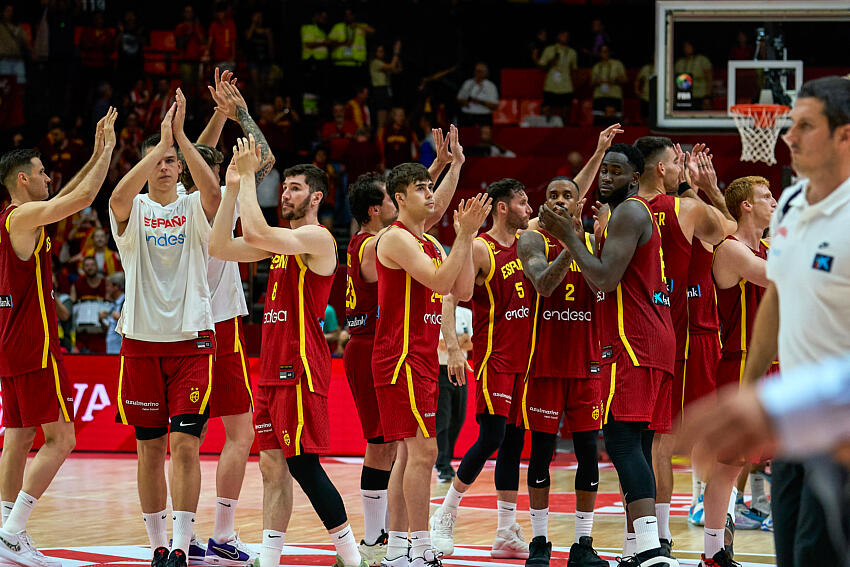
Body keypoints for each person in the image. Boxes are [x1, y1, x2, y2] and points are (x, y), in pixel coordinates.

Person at [210, 140, 367, 567]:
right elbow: (219, 246)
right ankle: (271, 557)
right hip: (269, 371)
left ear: (316, 197)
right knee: (272, 466)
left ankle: (352, 559)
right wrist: (231, 188)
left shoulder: (316, 238)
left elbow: (257, 233)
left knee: (303, 465)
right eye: (284, 188)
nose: (285, 195)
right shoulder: (280, 245)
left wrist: (246, 179)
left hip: (298, 368)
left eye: (294, 188)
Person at [544, 144, 677, 567]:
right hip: (651, 337)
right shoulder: (622, 214)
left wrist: (568, 236)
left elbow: (603, 276)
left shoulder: (630, 212)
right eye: (604, 170)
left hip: (633, 341)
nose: (606, 178)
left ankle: (653, 550)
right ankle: (642, 549)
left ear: (635, 178)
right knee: (635, 442)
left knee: (620, 441)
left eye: (616, 171)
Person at [108, 88, 222, 567]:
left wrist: (179, 139)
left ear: (182, 166)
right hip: (140, 342)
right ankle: (157, 543)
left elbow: (215, 194)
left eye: (173, 160)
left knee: (185, 445)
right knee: (149, 449)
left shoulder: (196, 206)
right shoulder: (133, 211)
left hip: (192, 340)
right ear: (148, 162)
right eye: (159, 159)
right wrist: (159, 144)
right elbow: (115, 196)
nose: (166, 164)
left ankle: (181, 542)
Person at [740, 76, 850, 567]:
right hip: (795, 418)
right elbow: (778, 298)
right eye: (789, 126)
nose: (789, 137)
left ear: (844, 135)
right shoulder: (789, 203)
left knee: (817, 553)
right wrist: (748, 391)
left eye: (806, 126)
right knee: (790, 551)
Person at [0, 109, 116, 565]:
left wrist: (93, 154)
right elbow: (83, 197)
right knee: (62, 438)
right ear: (24, 180)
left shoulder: (20, 217)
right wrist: (104, 151)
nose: (50, 177)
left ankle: (5, 531)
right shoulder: (23, 217)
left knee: (16, 435)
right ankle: (13, 530)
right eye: (43, 172)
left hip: (11, 343)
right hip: (35, 345)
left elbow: (67, 195)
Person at [343, 127, 457, 565]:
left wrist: (443, 167)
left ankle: (391, 542)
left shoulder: (396, 234)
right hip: (378, 346)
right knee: (387, 445)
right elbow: (412, 214)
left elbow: (420, 208)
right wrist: (437, 175)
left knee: (399, 449)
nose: (399, 206)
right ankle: (381, 538)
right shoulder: (374, 243)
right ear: (379, 209)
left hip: (395, 345)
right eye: (393, 199)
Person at [372, 159, 490, 567]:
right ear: (400, 198)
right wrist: (463, 234)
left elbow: (460, 290)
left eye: (430, 186)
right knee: (424, 452)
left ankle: (397, 550)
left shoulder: (433, 244)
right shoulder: (395, 238)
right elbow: (441, 282)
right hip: (400, 357)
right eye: (422, 188)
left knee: (409, 456)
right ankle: (420, 548)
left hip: (422, 356)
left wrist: (466, 237)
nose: (430, 194)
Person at [632, 136, 733, 557]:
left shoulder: (622, 213)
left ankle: (656, 540)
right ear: (662, 169)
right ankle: (712, 545)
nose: (679, 166)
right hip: (693, 333)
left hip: (642, 336)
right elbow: (735, 234)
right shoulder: (685, 208)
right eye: (676, 162)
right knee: (714, 439)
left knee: (650, 444)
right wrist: (707, 189)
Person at [193, 71, 277, 566]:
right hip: (217, 324)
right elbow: (263, 159)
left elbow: (191, 159)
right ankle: (222, 533)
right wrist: (241, 111)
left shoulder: (169, 199)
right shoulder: (216, 200)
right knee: (240, 434)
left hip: (177, 325)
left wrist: (212, 121)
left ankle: (174, 536)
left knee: (185, 439)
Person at [428, 178, 532, 561]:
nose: (530, 209)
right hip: (495, 357)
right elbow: (451, 297)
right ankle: (446, 512)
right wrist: (454, 349)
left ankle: (505, 531)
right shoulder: (480, 248)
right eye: (522, 203)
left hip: (525, 358)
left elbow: (570, 199)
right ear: (502, 207)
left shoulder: (528, 241)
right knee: (491, 436)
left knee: (515, 442)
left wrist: (599, 150)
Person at [518, 178, 607, 567]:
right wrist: (572, 244)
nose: (557, 200)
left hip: (587, 364)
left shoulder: (597, 242)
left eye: (566, 195)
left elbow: (602, 282)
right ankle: (539, 541)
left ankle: (583, 543)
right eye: (551, 194)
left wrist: (579, 239)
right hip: (545, 364)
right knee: (541, 454)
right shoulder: (532, 240)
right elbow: (543, 285)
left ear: (578, 203)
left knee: (589, 455)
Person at [699, 175, 777, 567]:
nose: (774, 201)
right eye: (766, 196)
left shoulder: (767, 246)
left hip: (776, 365)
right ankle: (713, 552)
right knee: (729, 464)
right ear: (746, 205)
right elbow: (773, 275)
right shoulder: (730, 250)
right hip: (741, 365)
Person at [538, 30, 577, 122]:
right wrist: (551, 62)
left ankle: (565, 133)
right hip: (551, 86)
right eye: (563, 34)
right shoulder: (549, 50)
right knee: (547, 111)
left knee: (566, 112)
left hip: (566, 87)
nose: (565, 37)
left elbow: (574, 70)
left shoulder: (572, 52)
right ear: (558, 36)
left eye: (567, 35)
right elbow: (542, 67)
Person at [370, 42, 403, 132]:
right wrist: (396, 53)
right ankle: (379, 142)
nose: (382, 53)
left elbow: (398, 69)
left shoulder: (383, 63)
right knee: (381, 122)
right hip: (379, 91)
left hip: (386, 91)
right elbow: (392, 66)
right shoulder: (375, 62)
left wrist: (397, 56)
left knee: (388, 121)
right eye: (379, 51)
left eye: (382, 51)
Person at [590, 46, 626, 126]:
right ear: (599, 53)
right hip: (600, 96)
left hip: (614, 95)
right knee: (599, 121)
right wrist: (598, 82)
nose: (605, 54)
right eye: (602, 52)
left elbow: (624, 79)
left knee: (616, 122)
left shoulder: (617, 64)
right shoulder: (596, 66)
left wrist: (615, 80)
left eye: (606, 51)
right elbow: (592, 83)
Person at [674, 42, 713, 109]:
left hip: (700, 96)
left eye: (689, 46)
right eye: (685, 47)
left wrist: (707, 96)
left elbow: (709, 78)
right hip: (683, 96)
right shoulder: (679, 63)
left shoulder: (702, 60)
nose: (687, 49)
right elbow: (674, 81)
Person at [101, 271, 125, 355]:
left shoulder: (127, 302)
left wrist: (120, 318)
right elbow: (111, 329)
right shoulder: (113, 304)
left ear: (116, 287)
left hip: (121, 351)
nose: (107, 289)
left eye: (108, 285)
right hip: (111, 350)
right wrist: (101, 320)